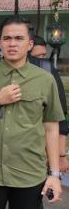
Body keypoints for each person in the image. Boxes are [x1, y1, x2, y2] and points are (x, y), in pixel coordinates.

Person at [0, 17, 64, 209]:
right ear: (0, 43)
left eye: (19, 38)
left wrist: (55, 174)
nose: (12, 43)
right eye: (6, 38)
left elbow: (51, 127)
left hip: (29, 172)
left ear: (30, 44)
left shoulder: (45, 80)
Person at [29, 36, 68, 172]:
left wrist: (61, 155)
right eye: (37, 57)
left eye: (43, 56)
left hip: (41, 152)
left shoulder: (48, 72)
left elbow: (61, 115)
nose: (41, 61)